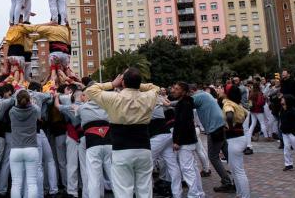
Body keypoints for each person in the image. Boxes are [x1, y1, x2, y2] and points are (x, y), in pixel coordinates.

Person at [84, 69, 159, 198]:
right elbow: (155, 88)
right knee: (145, 190)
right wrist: (135, 83)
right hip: (143, 148)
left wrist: (113, 84)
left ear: (123, 83)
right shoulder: (149, 96)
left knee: (123, 190)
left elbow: (90, 90)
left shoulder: (113, 98)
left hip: (121, 149)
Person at [191, 85, 235, 193]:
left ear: (191, 91)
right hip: (220, 126)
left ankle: (227, 182)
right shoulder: (205, 94)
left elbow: (184, 104)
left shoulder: (198, 96)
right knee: (228, 154)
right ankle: (236, 179)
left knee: (213, 156)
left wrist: (164, 103)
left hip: (214, 129)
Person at [75, 85, 113, 198]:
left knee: (93, 179)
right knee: (114, 177)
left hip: (93, 144)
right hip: (108, 142)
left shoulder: (82, 108)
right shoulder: (107, 106)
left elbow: (76, 118)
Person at [171, 82, 205, 198]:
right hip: (189, 139)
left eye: (177, 89)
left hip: (185, 141)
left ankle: (194, 195)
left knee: (187, 169)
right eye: (174, 88)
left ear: (184, 92)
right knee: (193, 168)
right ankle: (199, 193)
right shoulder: (186, 102)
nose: (173, 90)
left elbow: (182, 124)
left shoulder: (184, 104)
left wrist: (177, 141)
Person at [9, 89, 40, 198]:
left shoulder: (12, 111)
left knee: (16, 183)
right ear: (29, 100)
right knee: (32, 182)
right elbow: (38, 112)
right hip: (31, 149)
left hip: (15, 149)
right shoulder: (34, 110)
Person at [222, 85, 250, 198]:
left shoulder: (228, 104)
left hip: (234, 139)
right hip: (239, 137)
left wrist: (230, 127)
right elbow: (246, 113)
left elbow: (229, 116)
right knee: (234, 169)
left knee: (238, 171)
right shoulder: (237, 104)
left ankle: (245, 196)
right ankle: (240, 194)